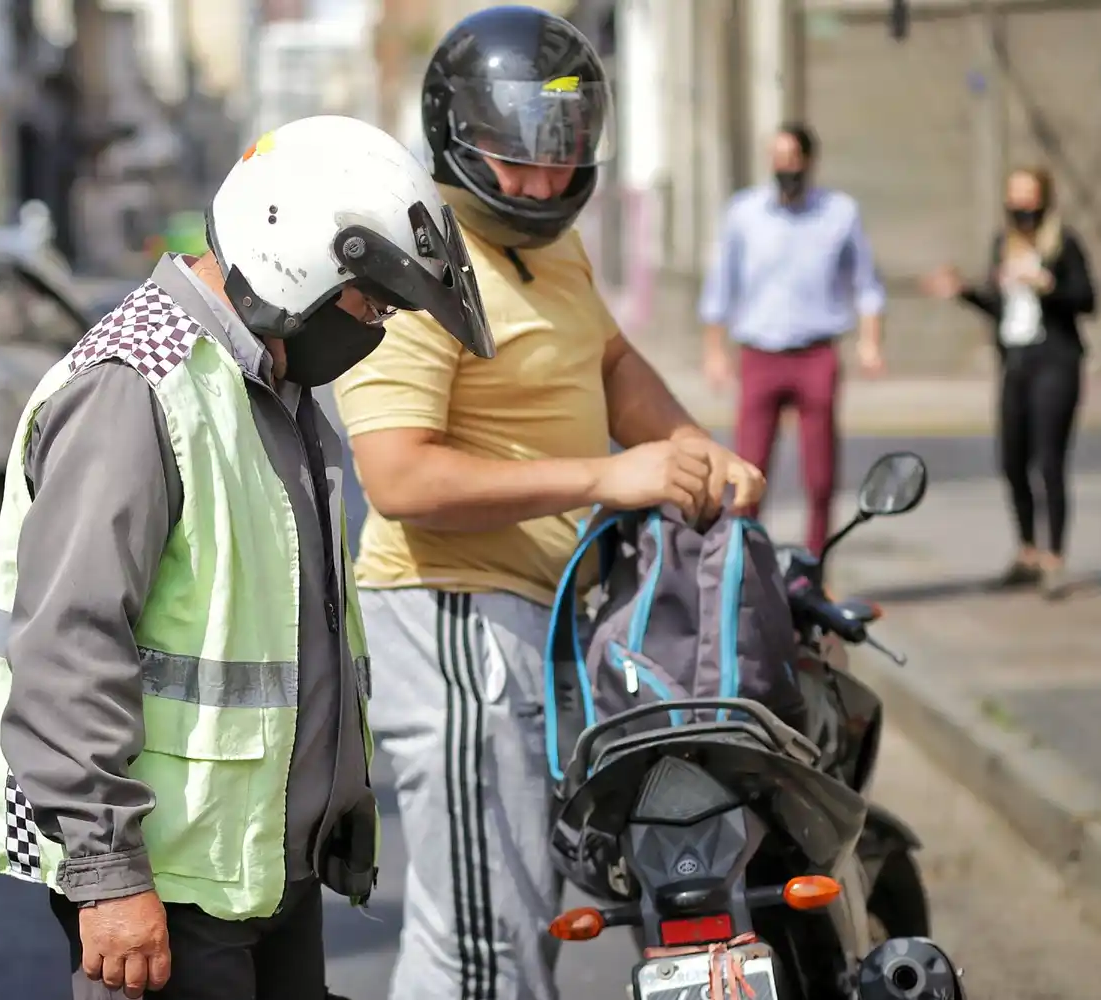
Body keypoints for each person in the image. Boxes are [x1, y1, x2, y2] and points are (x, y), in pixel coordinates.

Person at [0, 114, 496, 1000]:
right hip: (167, 884)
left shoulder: (265, 380)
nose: (377, 327)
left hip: (257, 863)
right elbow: (67, 649)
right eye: (372, 302)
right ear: (300, 260)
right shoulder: (136, 386)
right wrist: (107, 875)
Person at [332, 8, 766, 1000]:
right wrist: (604, 477)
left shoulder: (552, 248)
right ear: (455, 135)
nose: (541, 182)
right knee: (483, 948)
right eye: (517, 158)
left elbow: (608, 360)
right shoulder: (419, 260)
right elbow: (400, 480)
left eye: (562, 155)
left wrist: (692, 448)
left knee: (515, 928)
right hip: (454, 616)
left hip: (539, 615)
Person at [698, 123, 887, 555]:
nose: (784, 168)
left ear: (808, 161)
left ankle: (816, 565)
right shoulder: (744, 213)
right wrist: (714, 352)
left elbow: (868, 285)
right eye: (776, 159)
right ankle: (744, 563)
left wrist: (871, 342)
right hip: (759, 353)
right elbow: (719, 287)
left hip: (815, 353)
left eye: (791, 159)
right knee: (748, 469)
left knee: (820, 475)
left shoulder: (839, 213)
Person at [921, 166, 1096, 598]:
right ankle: (1027, 551)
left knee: (1049, 461)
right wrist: (963, 291)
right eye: (1014, 197)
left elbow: (1087, 299)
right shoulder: (1005, 245)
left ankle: (1055, 557)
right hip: (1016, 361)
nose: (1020, 207)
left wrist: (1047, 285)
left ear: (1044, 199)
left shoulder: (1063, 244)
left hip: (1055, 360)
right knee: (1012, 460)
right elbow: (1000, 308)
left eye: (1028, 197)